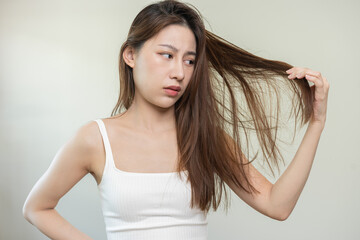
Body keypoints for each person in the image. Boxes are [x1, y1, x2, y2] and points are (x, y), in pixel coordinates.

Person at [22, 0, 330, 239]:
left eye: (190, 60)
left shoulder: (204, 137)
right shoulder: (95, 139)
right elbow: (36, 208)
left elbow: (278, 206)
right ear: (131, 55)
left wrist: (316, 123)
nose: (179, 72)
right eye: (166, 55)